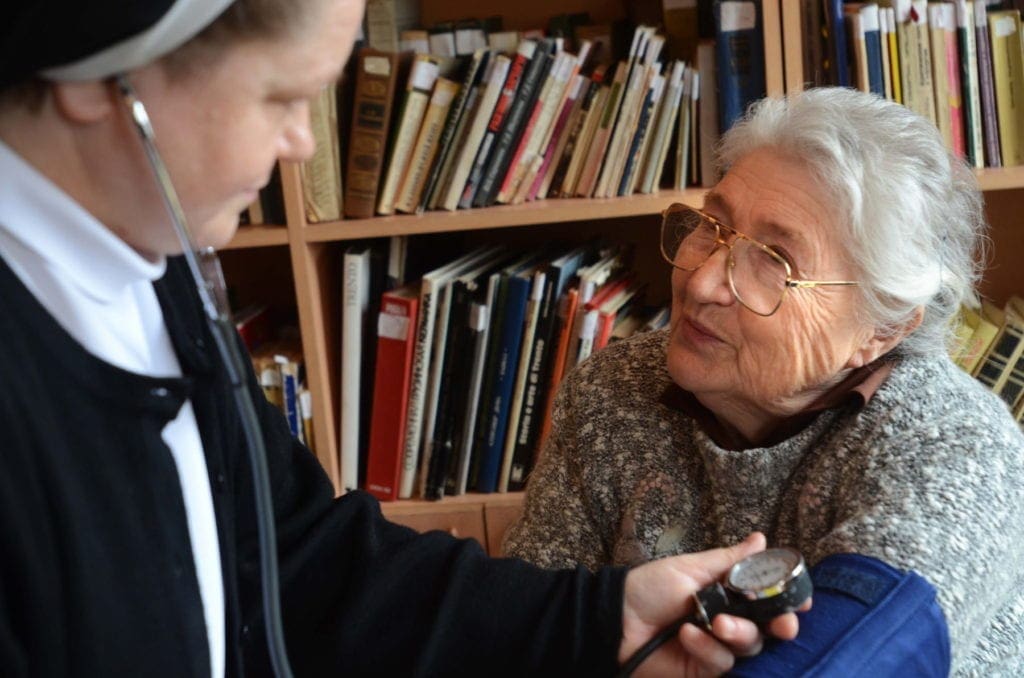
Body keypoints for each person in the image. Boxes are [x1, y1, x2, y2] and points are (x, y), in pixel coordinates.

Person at [0, 1, 807, 676]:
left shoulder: (155, 258)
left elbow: (295, 555)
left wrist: (597, 618)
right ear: (101, 76)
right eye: (283, 99)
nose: (303, 146)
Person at [504, 87, 1024, 675]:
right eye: (713, 228)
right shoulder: (612, 393)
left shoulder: (957, 447)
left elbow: (845, 661)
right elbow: (525, 633)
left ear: (883, 328)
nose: (700, 283)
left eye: (775, 262)